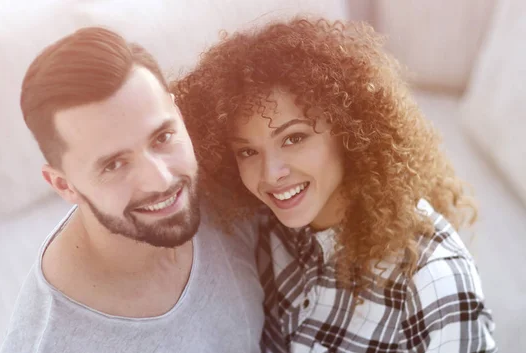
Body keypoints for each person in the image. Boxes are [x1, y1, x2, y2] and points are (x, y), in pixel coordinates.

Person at [173, 17, 497, 352]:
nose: (270, 174)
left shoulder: (434, 283)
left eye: (294, 138)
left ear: (349, 131)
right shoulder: (262, 228)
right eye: (248, 151)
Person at [0, 27, 264, 353]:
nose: (162, 180)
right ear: (63, 185)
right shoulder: (54, 342)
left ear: (178, 115)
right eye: (113, 165)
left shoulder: (232, 178)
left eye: (162, 137)